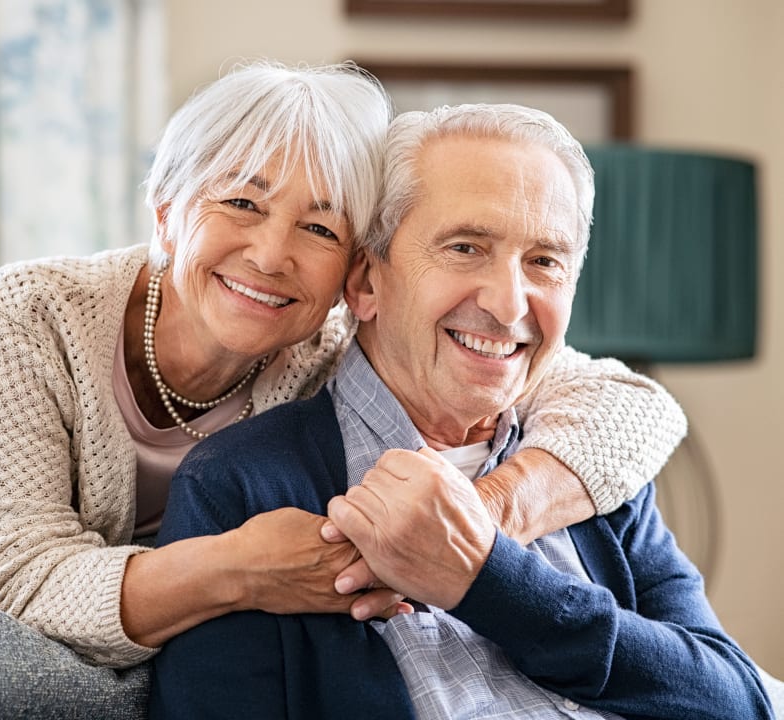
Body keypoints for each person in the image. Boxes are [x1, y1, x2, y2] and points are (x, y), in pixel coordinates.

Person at [0, 61, 685, 718]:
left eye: (320, 227)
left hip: (155, 618)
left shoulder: (331, 341)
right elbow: (16, 577)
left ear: (353, 273)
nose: (272, 255)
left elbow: (632, 405)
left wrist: (485, 514)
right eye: (241, 203)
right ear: (166, 214)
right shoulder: (31, 312)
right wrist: (236, 567)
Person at [150, 102, 772, 720]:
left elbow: (739, 701)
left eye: (544, 262)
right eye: (466, 247)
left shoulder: (585, 470)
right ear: (366, 282)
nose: (508, 305)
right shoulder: (243, 485)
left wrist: (486, 580)